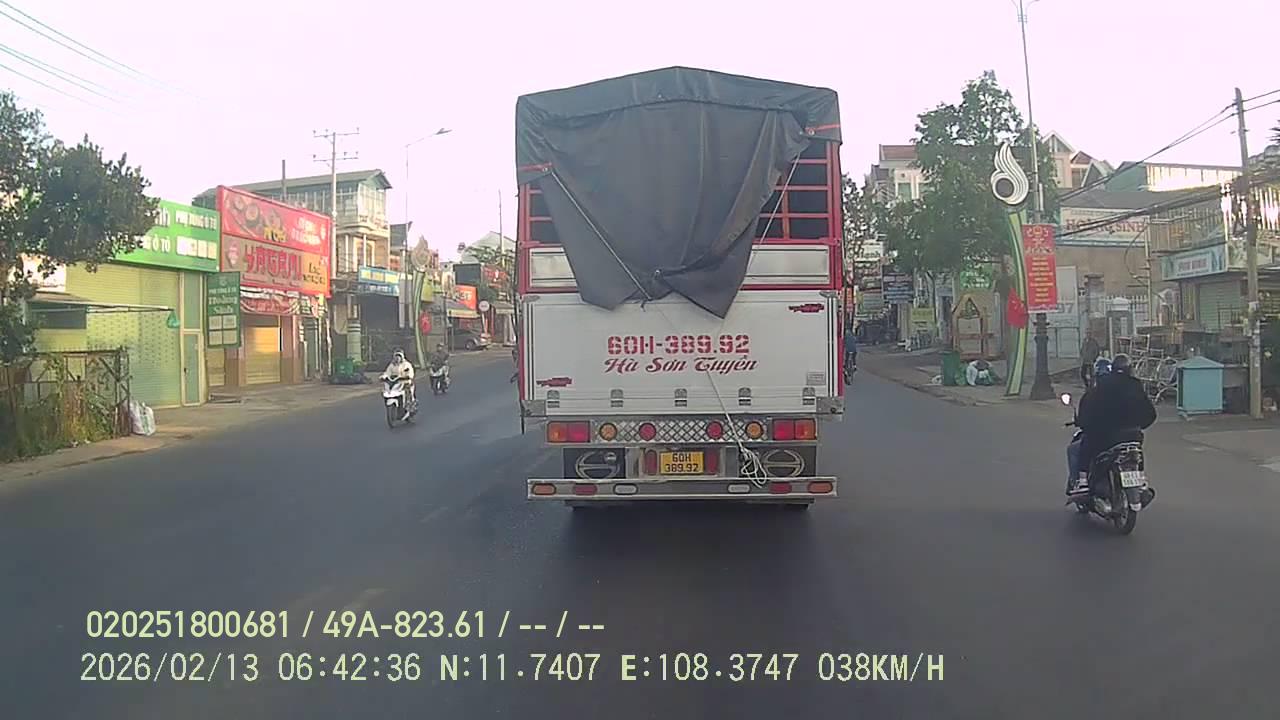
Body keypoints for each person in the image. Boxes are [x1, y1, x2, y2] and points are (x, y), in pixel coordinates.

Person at [1066, 354, 1156, 495]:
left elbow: (1088, 414)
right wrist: (1139, 426)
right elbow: (1150, 413)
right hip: (1134, 435)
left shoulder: (1100, 388)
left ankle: (1082, 480)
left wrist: (1086, 424)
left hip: (1107, 437)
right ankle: (1141, 478)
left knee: (1083, 445)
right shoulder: (1136, 385)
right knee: (1135, 451)